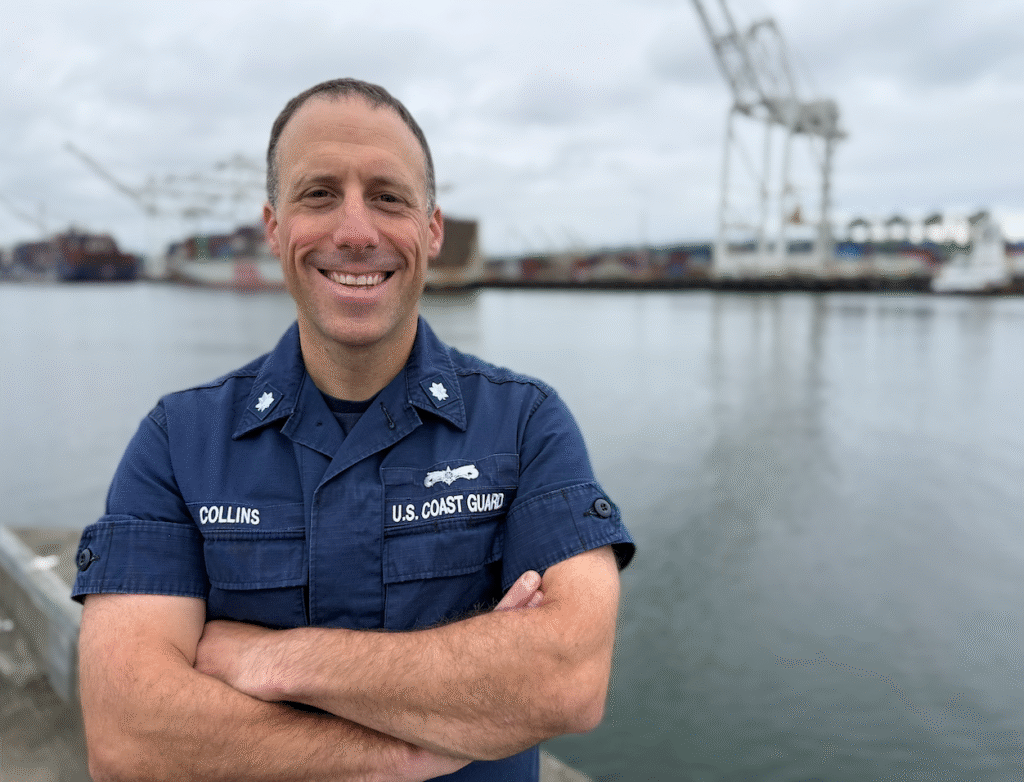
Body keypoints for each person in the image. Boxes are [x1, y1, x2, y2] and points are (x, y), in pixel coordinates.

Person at [72, 78, 634, 782]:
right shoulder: (177, 444)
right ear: (274, 227)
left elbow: (567, 679)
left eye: (389, 197)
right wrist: (403, 751)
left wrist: (266, 660)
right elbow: (131, 736)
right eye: (319, 194)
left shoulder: (523, 425)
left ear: (432, 229)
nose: (356, 231)